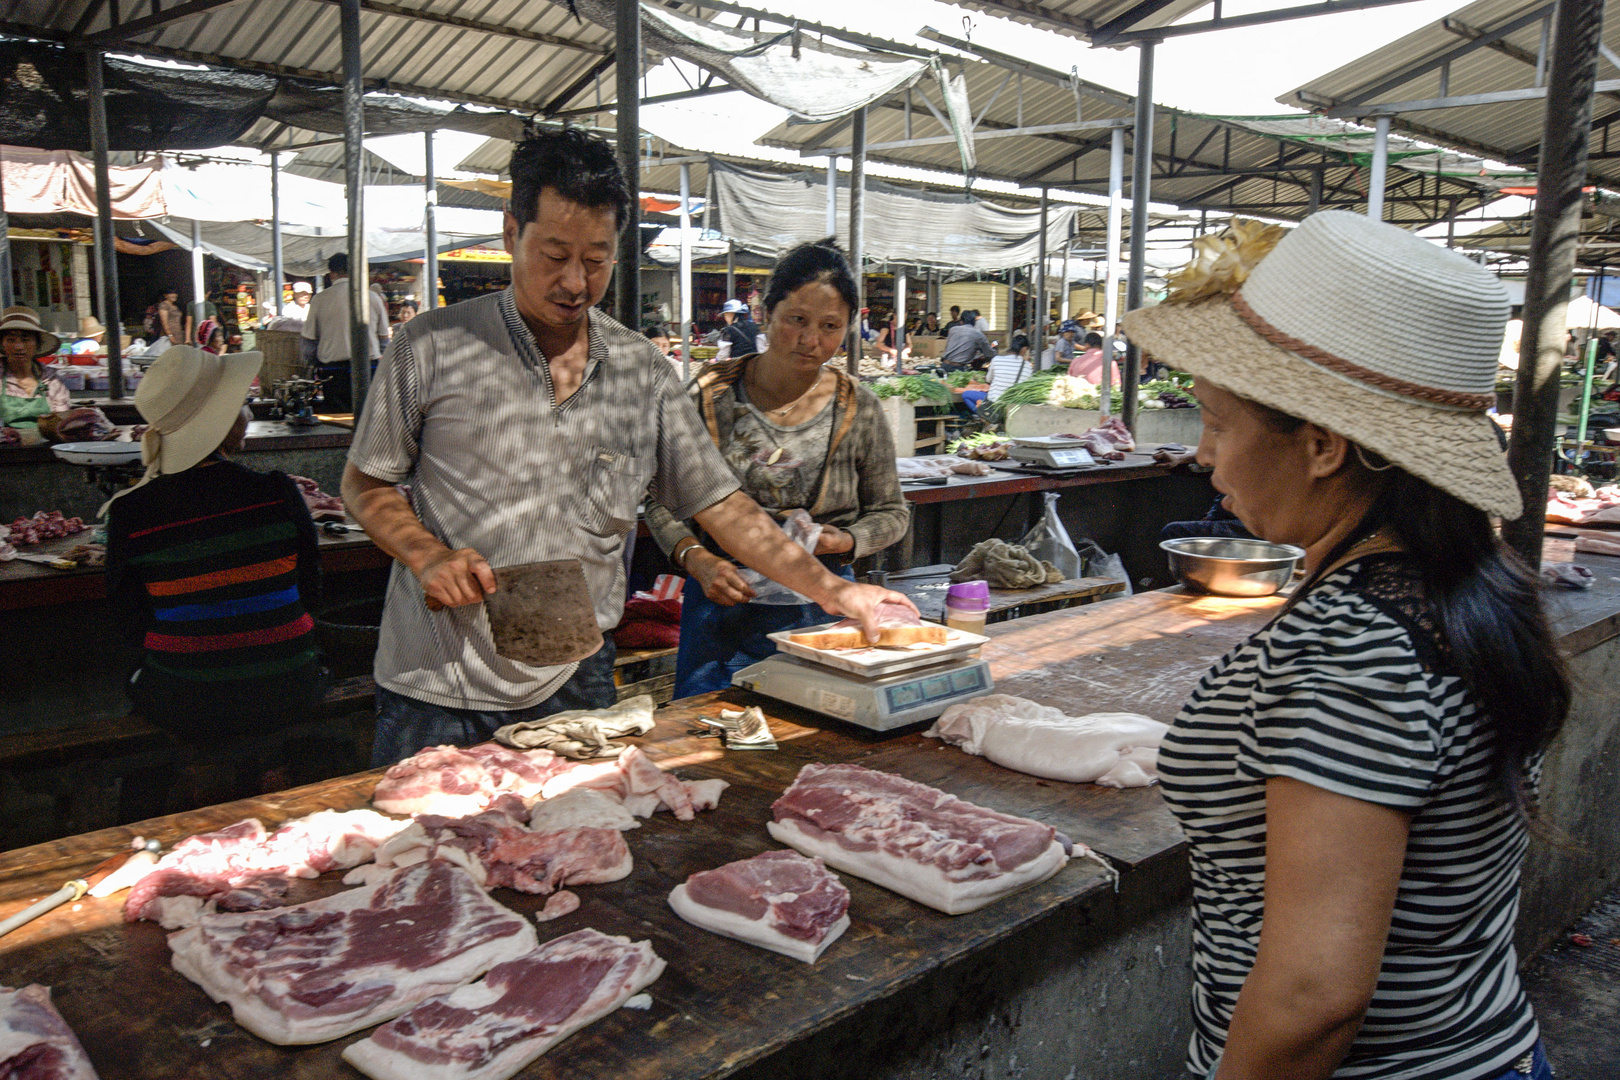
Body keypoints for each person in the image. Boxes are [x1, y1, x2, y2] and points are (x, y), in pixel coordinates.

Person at [1121, 210, 1567, 1080]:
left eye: (1218, 423)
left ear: (1322, 446)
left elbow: (1311, 998)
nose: (1206, 458)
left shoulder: (1350, 649)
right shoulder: (1462, 587)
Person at [341, 128, 912, 767]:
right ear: (510, 234)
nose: (574, 281)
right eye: (553, 253)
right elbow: (367, 484)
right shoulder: (431, 346)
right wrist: (426, 555)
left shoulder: (642, 373)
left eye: (597, 258)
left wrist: (837, 592)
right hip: (435, 684)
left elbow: (722, 507)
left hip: (573, 679)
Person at [645, 241, 909, 697]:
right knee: (707, 739)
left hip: (820, 606)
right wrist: (697, 558)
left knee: (813, 739)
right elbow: (661, 497)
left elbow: (892, 512)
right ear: (766, 313)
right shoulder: (711, 397)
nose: (811, 340)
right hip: (721, 602)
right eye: (797, 320)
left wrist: (846, 540)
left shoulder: (858, 409)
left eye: (830, 327)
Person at [105, 345, 326, 740]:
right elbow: (311, 589)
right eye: (240, 403)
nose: (248, 413)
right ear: (223, 422)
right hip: (292, 688)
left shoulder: (131, 512)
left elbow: (129, 622)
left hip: (185, 700)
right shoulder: (277, 493)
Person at [300, 255, 390, 413]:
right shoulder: (373, 298)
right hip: (368, 369)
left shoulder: (320, 299)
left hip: (334, 373)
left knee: (338, 420)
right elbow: (384, 340)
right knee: (366, 418)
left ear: (331, 273)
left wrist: (314, 364)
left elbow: (309, 343)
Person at [1, 307, 71, 436]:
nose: (18, 346)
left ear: (37, 344)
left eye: (25, 340)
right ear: (2, 345)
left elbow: (62, 421)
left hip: (45, 448)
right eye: (11, 340)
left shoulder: (50, 379)